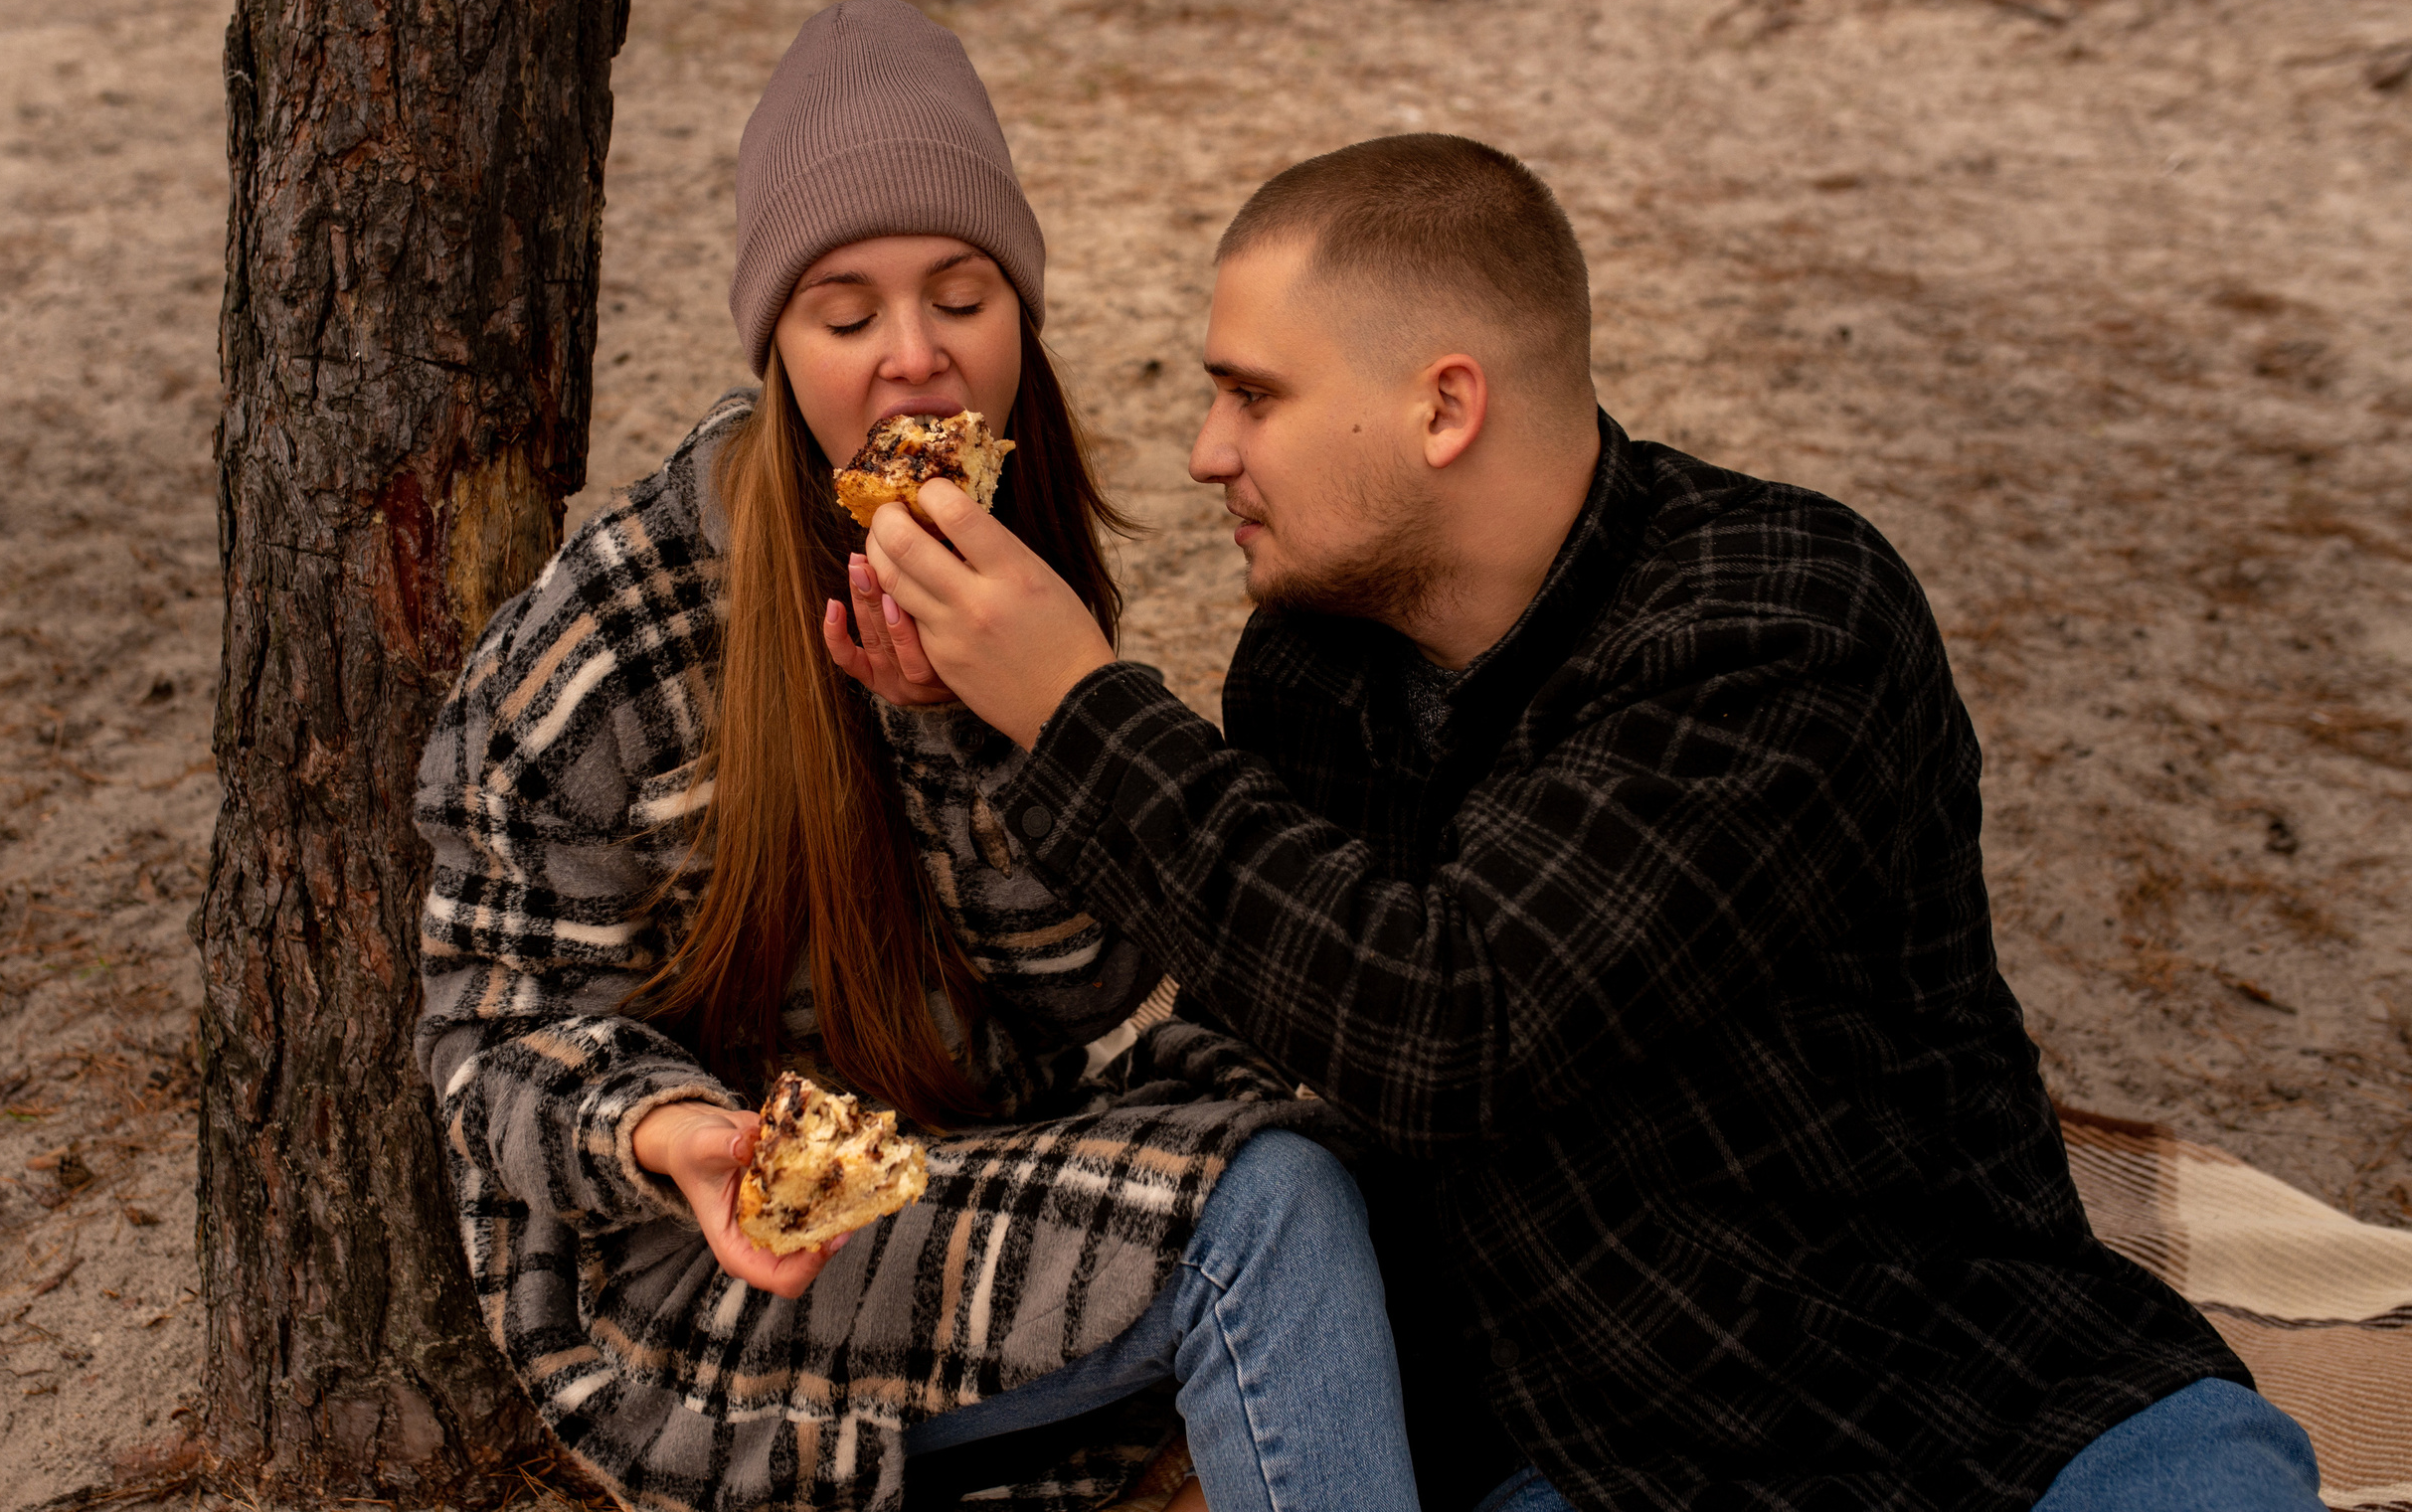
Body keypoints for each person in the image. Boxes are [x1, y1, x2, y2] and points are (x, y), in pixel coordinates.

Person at [853, 133, 2326, 1512]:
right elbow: (1288, 1014)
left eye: (1254, 395)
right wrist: (977, 721)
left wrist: (1077, 704)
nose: (1204, 451)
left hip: (1977, 1414)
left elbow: (1446, 1019)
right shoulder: (1310, 677)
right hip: (1620, 1462)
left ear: (1444, 406)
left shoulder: (1782, 623)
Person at [411, 1, 1424, 1512]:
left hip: (975, 1158)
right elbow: (488, 1028)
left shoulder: (1023, 570)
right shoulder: (608, 641)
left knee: (1355, 1124)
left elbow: (1097, 1017)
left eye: (963, 297)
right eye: (844, 314)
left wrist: (988, 726)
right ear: (775, 347)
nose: (915, 362)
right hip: (706, 1267)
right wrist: (668, 1129)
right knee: (1272, 1214)